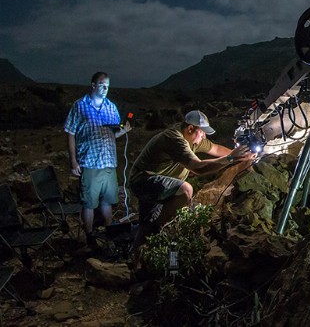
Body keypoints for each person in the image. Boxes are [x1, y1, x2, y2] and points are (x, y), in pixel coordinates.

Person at [128, 110, 252, 263]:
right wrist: (232, 158)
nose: (204, 137)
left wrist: (242, 155)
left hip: (155, 184)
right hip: (144, 181)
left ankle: (135, 261)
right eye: (202, 133)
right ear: (190, 129)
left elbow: (216, 149)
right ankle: (163, 229)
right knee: (186, 190)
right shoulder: (174, 138)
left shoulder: (193, 138)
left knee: (146, 224)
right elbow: (199, 168)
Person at [64, 71, 132, 248]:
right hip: (89, 162)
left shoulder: (111, 107)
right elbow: (70, 132)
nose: (105, 88)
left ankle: (109, 234)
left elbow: (113, 133)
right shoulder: (79, 106)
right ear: (93, 85)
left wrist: (124, 129)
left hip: (108, 162)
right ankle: (90, 237)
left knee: (107, 201)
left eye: (107, 86)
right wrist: (73, 161)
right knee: (89, 203)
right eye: (101, 84)